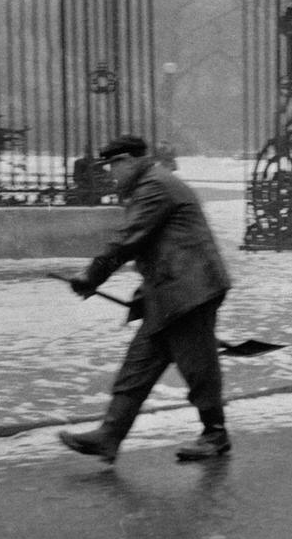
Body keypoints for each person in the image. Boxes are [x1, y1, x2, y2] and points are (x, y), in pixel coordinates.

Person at [58, 133, 234, 465]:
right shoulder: (153, 184)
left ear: (129, 161)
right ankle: (109, 436)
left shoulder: (155, 186)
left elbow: (129, 240)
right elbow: (158, 245)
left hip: (190, 292)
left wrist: (92, 276)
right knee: (136, 368)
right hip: (169, 293)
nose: (111, 174)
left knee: (198, 368)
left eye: (113, 166)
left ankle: (215, 435)